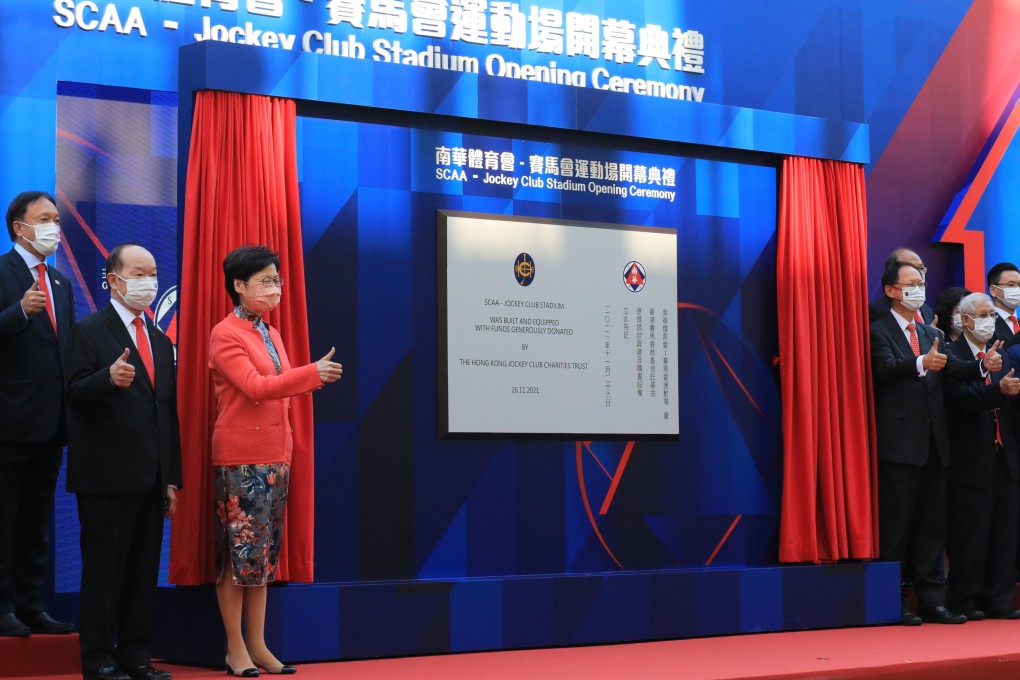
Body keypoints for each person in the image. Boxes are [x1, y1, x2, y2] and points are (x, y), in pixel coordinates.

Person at [210, 245, 342, 677]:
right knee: (237, 557)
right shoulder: (225, 333)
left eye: (277, 280)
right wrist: (310, 374)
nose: (274, 288)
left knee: (262, 559)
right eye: (266, 281)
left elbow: (279, 386)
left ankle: (259, 645)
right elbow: (255, 386)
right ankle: (235, 649)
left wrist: (306, 375)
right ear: (239, 285)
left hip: (275, 455)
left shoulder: (272, 332)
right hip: (240, 457)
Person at [65, 244, 182, 680]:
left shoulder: (157, 336)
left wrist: (171, 478)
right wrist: (106, 379)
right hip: (106, 477)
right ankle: (98, 657)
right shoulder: (90, 330)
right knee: (104, 571)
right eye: (139, 272)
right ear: (114, 280)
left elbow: (164, 411)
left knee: (141, 572)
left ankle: (136, 655)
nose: (149, 281)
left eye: (153, 272)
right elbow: (73, 395)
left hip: (151, 478)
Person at [870, 261, 999, 625]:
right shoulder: (878, 331)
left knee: (931, 526)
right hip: (899, 443)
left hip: (935, 443)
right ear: (892, 290)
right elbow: (884, 369)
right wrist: (920, 363)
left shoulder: (930, 332)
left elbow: (950, 368)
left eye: (921, 282)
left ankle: (931, 599)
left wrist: (980, 367)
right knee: (896, 527)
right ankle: (892, 599)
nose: (919, 288)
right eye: (910, 283)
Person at [0, 191, 76, 637]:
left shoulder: (62, 283)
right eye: (44, 218)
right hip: (10, 421)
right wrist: (17, 312)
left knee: (35, 519)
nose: (54, 226)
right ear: (19, 227)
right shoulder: (2, 272)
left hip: (52, 423)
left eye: (56, 218)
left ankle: (31, 603)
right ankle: (2, 603)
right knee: (5, 517)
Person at [944, 293, 1020, 620]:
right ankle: (965, 600)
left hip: (1006, 456)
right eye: (984, 314)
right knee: (970, 534)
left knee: (1005, 531)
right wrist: (996, 391)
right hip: (969, 458)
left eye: (992, 314)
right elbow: (959, 398)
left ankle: (1000, 600)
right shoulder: (951, 354)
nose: (990, 320)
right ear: (965, 321)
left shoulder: (1003, 354)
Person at [870, 248, 935, 324]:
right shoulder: (876, 311)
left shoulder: (928, 310)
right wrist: (926, 334)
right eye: (910, 268)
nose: (917, 273)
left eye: (921, 268)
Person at [986, 262, 1020, 344]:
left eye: (1019, 285)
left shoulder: (1018, 322)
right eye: (1011, 285)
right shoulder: (986, 324)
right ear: (993, 290)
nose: (1017, 289)